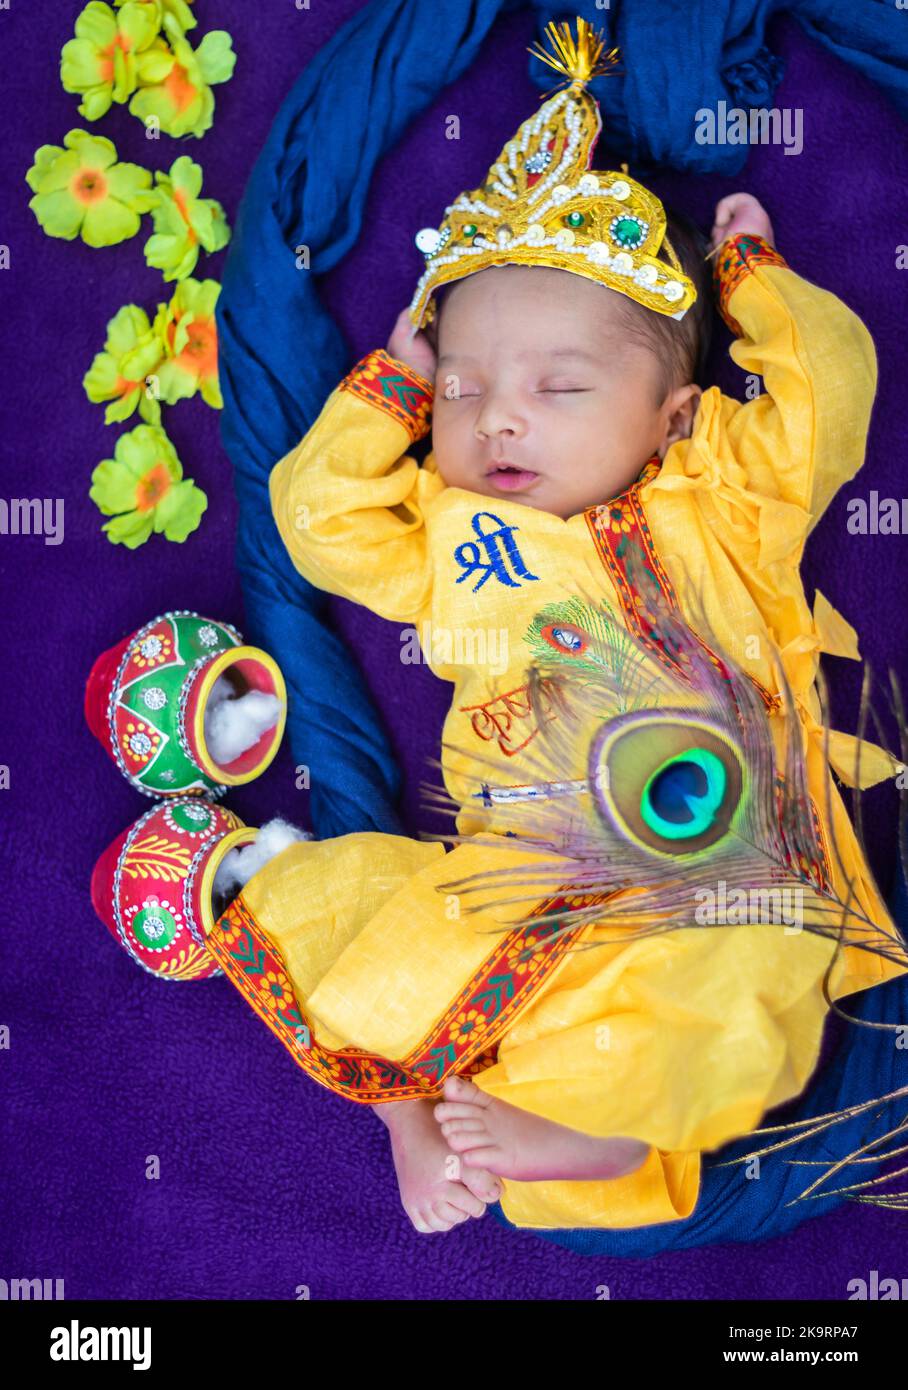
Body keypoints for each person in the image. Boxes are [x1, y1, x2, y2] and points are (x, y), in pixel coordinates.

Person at [205, 18, 908, 1235]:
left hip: (711, 873)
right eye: (467, 390)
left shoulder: (725, 497)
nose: (500, 423)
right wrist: (392, 386)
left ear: (671, 416)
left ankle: (593, 1133)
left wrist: (753, 279)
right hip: (515, 877)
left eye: (558, 387)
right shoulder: (454, 535)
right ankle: (410, 1111)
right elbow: (316, 521)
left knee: (742, 967)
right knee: (320, 899)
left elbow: (826, 391)